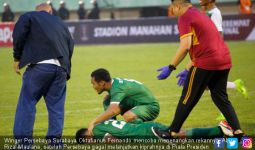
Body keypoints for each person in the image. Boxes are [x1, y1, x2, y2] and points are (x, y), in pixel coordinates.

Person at [155, 0, 244, 140]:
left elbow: (185, 45)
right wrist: (188, 68)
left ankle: (171, 132)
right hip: (224, 59)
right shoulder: (200, 14)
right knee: (220, 97)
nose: (171, 10)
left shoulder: (184, 17)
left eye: (172, 7)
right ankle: (238, 131)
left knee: (188, 97)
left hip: (206, 62)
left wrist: (171, 67)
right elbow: (204, 43)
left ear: (177, 6)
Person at [12, 3, 74, 148]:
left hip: (40, 66)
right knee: (56, 107)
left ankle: (23, 143)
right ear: (50, 11)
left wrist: (17, 57)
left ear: (37, 11)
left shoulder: (30, 16)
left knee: (27, 103)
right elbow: (70, 45)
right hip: (61, 69)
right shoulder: (60, 22)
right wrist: (65, 67)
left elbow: (19, 33)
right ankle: (55, 143)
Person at [87, 68, 160, 135]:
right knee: (107, 100)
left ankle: (144, 134)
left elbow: (113, 110)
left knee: (129, 116)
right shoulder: (114, 84)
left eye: (93, 84)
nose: (93, 86)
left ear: (102, 83)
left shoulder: (117, 88)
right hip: (136, 104)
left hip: (150, 107)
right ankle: (111, 127)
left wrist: (94, 122)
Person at [76, 119, 233, 143]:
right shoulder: (102, 123)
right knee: (182, 136)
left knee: (182, 136)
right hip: (146, 128)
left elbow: (112, 140)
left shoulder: (96, 133)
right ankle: (222, 133)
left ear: (86, 137)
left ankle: (220, 129)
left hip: (148, 134)